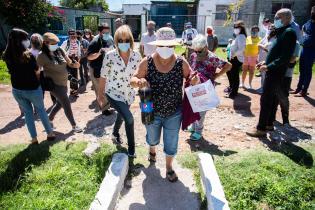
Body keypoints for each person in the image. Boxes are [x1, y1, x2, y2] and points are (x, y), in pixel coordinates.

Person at [130, 27, 199, 182]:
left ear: (174, 46)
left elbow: (192, 78)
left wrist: (194, 80)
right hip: (150, 108)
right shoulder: (146, 62)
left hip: (174, 111)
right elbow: (133, 79)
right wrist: (138, 81)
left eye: (169, 46)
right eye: (162, 45)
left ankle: (168, 167)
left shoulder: (181, 62)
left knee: (171, 140)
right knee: (152, 137)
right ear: (156, 45)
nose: (166, 49)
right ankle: (152, 149)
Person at [246, 8, 297, 137]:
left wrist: (269, 67)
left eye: (278, 17)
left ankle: (261, 128)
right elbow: (276, 53)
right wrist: (265, 63)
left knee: (266, 99)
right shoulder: (282, 32)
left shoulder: (289, 32)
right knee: (272, 98)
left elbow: (285, 57)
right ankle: (269, 123)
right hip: (273, 69)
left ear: (286, 18)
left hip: (276, 72)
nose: (276, 20)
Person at [3, 28, 55, 144]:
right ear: (19, 41)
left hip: (17, 89)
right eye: (25, 38)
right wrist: (38, 83)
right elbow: (37, 71)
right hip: (32, 88)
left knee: (28, 114)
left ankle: (34, 138)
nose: (28, 41)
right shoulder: (29, 55)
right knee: (41, 111)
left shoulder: (6, 55)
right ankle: (50, 134)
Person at [97, 25, 141, 157]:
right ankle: (131, 150)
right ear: (116, 41)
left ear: (131, 40)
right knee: (129, 118)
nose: (123, 43)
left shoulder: (137, 56)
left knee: (122, 115)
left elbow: (141, 73)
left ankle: (115, 133)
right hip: (113, 93)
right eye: (120, 41)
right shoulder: (110, 56)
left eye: (126, 40)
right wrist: (100, 95)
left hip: (129, 94)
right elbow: (103, 75)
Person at [37, 32, 83, 133]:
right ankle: (74, 125)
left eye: (56, 43)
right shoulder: (41, 56)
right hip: (53, 85)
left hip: (63, 82)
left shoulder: (59, 50)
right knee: (66, 103)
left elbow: (69, 63)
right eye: (53, 44)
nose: (55, 45)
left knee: (59, 103)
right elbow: (36, 71)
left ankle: (49, 119)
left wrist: (75, 65)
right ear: (45, 43)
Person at [188, 35, 232, 140]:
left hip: (206, 88)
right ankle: (194, 126)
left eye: (199, 51)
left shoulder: (212, 57)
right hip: (194, 86)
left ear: (206, 47)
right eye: (196, 51)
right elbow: (191, 67)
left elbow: (228, 65)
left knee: (201, 110)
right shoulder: (193, 55)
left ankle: (198, 131)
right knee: (194, 107)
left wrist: (216, 75)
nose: (197, 53)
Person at [87, 23, 114, 116]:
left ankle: (109, 104)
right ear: (99, 32)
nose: (106, 34)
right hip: (96, 69)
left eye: (108, 32)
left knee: (108, 87)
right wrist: (98, 53)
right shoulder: (94, 42)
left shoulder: (110, 39)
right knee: (100, 89)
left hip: (108, 68)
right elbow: (89, 57)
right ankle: (104, 108)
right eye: (104, 32)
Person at [292, 6, 315, 97]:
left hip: (312, 50)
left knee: (307, 70)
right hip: (304, 48)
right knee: (302, 69)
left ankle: (304, 90)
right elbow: (303, 31)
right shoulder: (308, 23)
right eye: (312, 11)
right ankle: (298, 88)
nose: (313, 13)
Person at [226, 20, 246, 98]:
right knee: (229, 72)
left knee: (234, 76)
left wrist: (234, 54)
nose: (235, 28)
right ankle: (232, 88)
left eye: (236, 27)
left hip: (236, 59)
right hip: (233, 58)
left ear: (241, 28)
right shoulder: (238, 36)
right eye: (234, 27)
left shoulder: (241, 36)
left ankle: (233, 93)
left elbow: (242, 49)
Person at [61, 29, 81, 97]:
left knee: (75, 75)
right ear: (69, 35)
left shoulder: (78, 42)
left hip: (75, 59)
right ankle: (67, 91)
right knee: (69, 75)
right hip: (68, 59)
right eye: (71, 34)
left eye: (74, 34)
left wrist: (78, 60)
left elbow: (79, 52)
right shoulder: (65, 42)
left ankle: (74, 91)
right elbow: (61, 51)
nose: (73, 36)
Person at [257, 25, 277, 93]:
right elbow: (260, 43)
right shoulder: (267, 37)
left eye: (271, 29)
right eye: (269, 28)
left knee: (266, 75)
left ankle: (265, 89)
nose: (269, 30)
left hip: (267, 60)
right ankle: (262, 87)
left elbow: (268, 49)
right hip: (262, 59)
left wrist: (261, 46)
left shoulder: (274, 39)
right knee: (263, 75)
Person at [240, 25, 261, 89]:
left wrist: (258, 58)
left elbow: (260, 50)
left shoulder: (260, 39)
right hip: (246, 56)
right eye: (253, 30)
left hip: (254, 57)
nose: (254, 32)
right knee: (244, 70)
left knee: (251, 71)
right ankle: (242, 83)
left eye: (256, 30)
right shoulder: (247, 38)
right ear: (251, 31)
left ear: (258, 31)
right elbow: (243, 47)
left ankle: (250, 84)